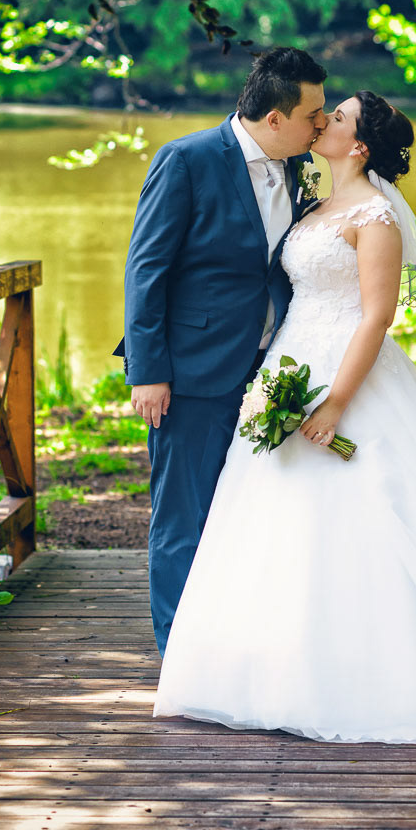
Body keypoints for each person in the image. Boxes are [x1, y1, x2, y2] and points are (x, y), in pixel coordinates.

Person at [154, 90, 416, 744]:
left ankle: (374, 669)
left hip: (350, 377)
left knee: (366, 507)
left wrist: (336, 401)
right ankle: (263, 661)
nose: (321, 122)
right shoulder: (313, 201)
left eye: (334, 117)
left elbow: (375, 316)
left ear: (359, 145)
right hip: (290, 363)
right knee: (273, 514)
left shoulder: (376, 215)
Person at [115, 47, 329, 655]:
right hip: (193, 372)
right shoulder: (186, 160)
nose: (322, 125)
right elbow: (146, 269)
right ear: (274, 118)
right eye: (313, 115)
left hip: (271, 369)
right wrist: (149, 371)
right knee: (183, 517)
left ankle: (239, 642)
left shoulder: (301, 168)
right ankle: (180, 653)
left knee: (251, 510)